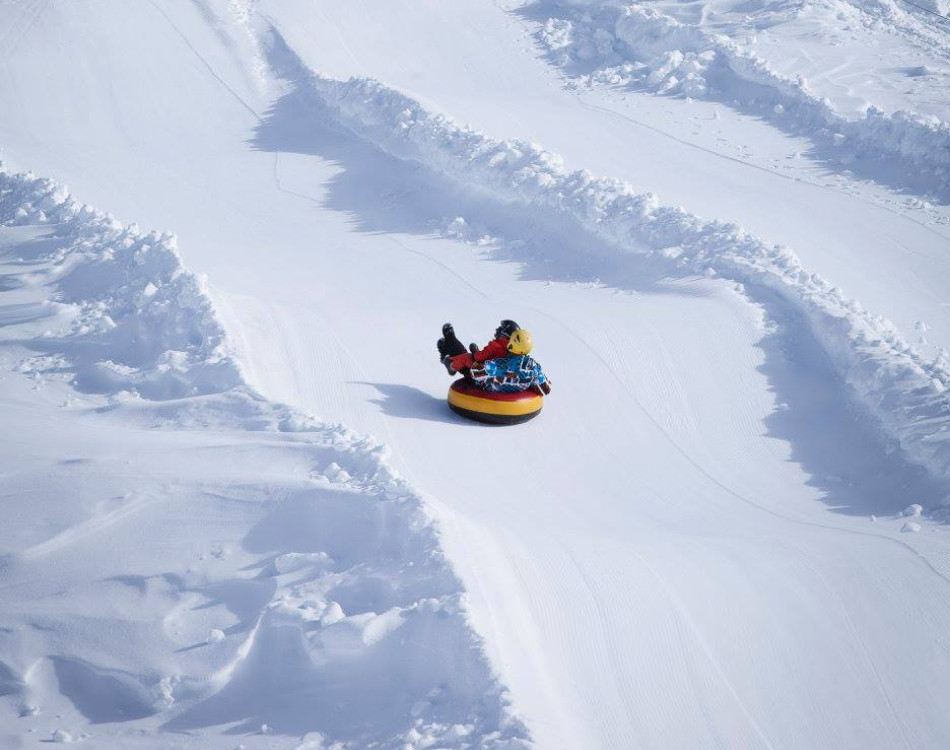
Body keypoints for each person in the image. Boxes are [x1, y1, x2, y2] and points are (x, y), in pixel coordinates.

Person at [437, 321, 552, 396]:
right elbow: (545, 389)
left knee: (465, 357)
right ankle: (447, 344)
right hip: (516, 390)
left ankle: (449, 356)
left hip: (485, 388)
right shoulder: (533, 367)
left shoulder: (499, 365)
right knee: (466, 356)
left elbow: (476, 373)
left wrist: (478, 360)